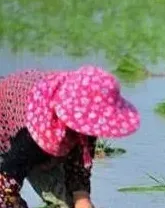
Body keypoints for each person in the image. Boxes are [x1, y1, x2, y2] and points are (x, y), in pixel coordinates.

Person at [0, 65, 140, 208]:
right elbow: (5, 184)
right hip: (10, 128)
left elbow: (79, 167)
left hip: (40, 140)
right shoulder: (30, 139)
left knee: (67, 203)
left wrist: (82, 199)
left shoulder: (85, 124)